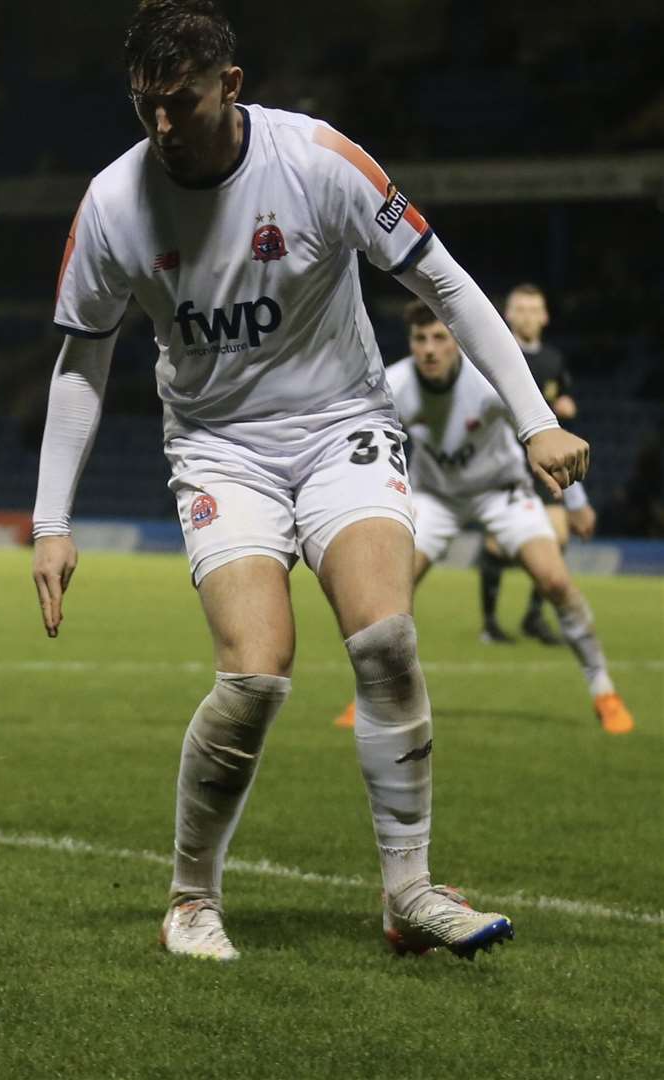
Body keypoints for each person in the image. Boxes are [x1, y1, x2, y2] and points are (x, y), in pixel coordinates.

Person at [29, 0, 589, 961]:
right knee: (254, 674)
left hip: (343, 427)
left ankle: (408, 893)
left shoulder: (321, 161)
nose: (162, 126)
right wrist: (51, 518)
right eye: (144, 105)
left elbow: (446, 283)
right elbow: (82, 361)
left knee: (386, 641)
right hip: (217, 446)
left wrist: (535, 416)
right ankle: (191, 900)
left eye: (181, 102)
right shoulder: (113, 204)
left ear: (230, 86)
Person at [329, 304, 632, 735]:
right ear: (410, 343)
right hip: (436, 497)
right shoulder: (394, 385)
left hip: (501, 492)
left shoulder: (486, 381)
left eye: (439, 338)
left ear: (455, 340)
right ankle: (371, 699)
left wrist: (576, 501)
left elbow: (545, 434)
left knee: (557, 583)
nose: (429, 350)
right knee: (386, 600)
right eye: (420, 340)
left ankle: (605, 692)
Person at [477, 283, 591, 644]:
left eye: (533, 309)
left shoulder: (554, 360)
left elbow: (562, 395)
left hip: (542, 460)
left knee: (558, 535)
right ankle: (491, 623)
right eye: (520, 308)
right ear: (507, 314)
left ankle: (533, 615)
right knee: (497, 544)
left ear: (544, 316)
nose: (526, 315)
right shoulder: (495, 353)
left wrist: (565, 405)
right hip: (501, 460)